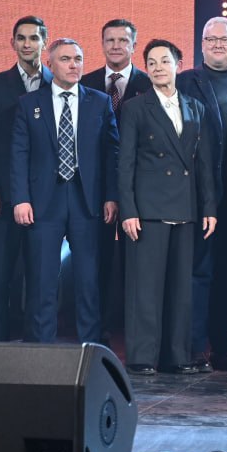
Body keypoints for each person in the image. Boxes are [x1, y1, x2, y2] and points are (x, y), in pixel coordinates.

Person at [117, 39, 217, 376]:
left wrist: (209, 207)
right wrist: (129, 210)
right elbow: (125, 163)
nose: (158, 67)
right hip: (148, 208)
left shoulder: (194, 107)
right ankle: (143, 357)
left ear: (178, 65)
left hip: (185, 207)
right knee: (146, 287)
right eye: (152, 62)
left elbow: (204, 164)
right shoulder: (135, 107)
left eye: (164, 60)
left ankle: (177, 356)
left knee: (181, 287)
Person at [10, 38, 119, 343]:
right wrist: (20, 199)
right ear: (50, 64)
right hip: (44, 201)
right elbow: (19, 154)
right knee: (43, 278)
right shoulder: (29, 103)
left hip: (88, 201)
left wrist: (112, 195)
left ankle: (89, 346)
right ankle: (42, 347)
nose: (74, 65)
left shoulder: (99, 102)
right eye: (66, 59)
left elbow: (112, 153)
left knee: (88, 280)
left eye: (78, 59)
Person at [177, 17, 227, 372]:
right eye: (211, 39)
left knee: (226, 276)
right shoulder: (184, 82)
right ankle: (192, 348)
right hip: (196, 195)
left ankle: (221, 349)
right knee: (196, 273)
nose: (218, 44)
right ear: (202, 44)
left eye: (225, 39)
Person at [0, 15, 51, 341]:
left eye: (33, 38)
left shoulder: (56, 82)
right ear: (13, 43)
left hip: (45, 197)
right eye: (21, 38)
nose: (27, 44)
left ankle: (33, 339)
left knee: (39, 274)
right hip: (4, 196)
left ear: (44, 42)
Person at [82, 19, 153, 339]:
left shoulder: (149, 84)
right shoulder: (85, 83)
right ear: (101, 44)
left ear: (134, 45)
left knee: (134, 262)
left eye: (122, 40)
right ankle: (95, 329)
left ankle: (133, 329)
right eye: (109, 40)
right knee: (95, 261)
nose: (115, 46)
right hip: (94, 188)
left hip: (140, 189)